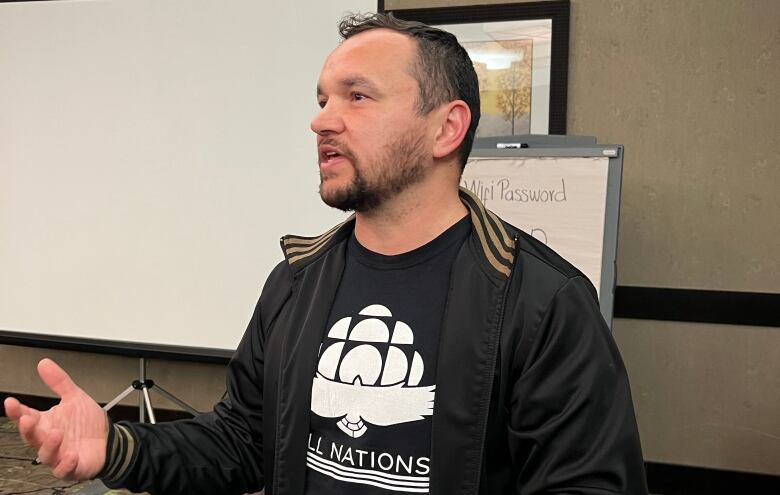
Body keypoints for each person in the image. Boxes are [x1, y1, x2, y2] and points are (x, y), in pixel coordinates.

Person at [4, 13, 649, 495]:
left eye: (357, 97)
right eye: (321, 99)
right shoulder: (296, 283)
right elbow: (239, 441)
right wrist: (117, 449)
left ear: (446, 128)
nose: (321, 120)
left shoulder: (540, 302)